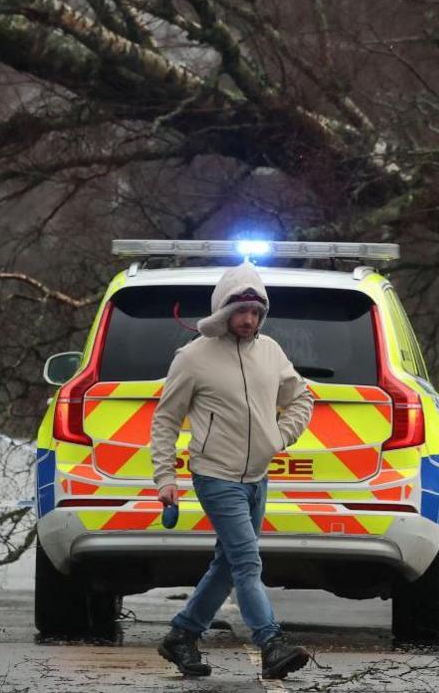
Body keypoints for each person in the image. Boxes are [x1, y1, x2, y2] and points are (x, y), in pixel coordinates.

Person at [149, 260, 316, 680]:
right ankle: (271, 643)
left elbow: (303, 399)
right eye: (240, 311)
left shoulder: (271, 351)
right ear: (223, 310)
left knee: (227, 565)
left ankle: (181, 635)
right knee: (247, 562)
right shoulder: (192, 358)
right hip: (215, 476)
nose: (248, 320)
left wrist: (279, 438)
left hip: (257, 477)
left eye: (256, 312)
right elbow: (166, 420)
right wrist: (165, 479)